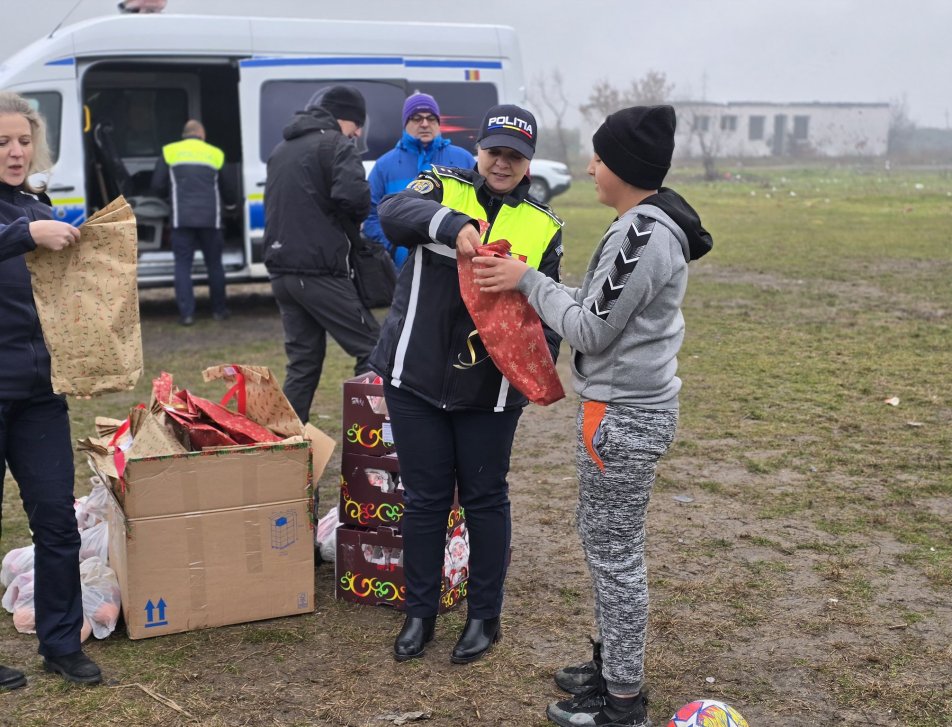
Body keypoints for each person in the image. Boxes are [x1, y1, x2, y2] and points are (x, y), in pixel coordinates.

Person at [473, 105, 713, 727]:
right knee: (606, 544)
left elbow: (590, 328)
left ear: (625, 168)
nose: (589, 167)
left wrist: (526, 280)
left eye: (599, 158)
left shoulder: (643, 235)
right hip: (625, 410)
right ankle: (612, 664)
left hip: (621, 417)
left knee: (615, 556)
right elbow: (599, 307)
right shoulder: (637, 225)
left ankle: (623, 699)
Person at [369, 104, 564, 665]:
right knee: (425, 500)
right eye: (495, 151)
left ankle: (484, 616)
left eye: (515, 156)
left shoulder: (544, 225)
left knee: (484, 499)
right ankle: (420, 612)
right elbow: (393, 210)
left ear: (528, 165)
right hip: (416, 377)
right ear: (476, 151)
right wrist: (452, 228)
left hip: (490, 390)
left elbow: (547, 310)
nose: (502, 163)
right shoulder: (444, 186)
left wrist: (534, 372)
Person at [0, 91, 103, 689]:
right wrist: (25, 232)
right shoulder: (24, 218)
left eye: (23, 140)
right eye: (3, 142)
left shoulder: (35, 202)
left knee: (58, 523)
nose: (16, 152)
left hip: (41, 390)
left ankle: (61, 643)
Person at [263, 85, 379, 423]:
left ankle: (286, 448)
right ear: (345, 118)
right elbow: (355, 199)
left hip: (282, 274)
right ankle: (367, 440)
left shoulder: (282, 148)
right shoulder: (337, 145)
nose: (358, 132)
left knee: (303, 361)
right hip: (318, 271)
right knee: (374, 349)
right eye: (357, 124)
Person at [363, 92, 475, 270]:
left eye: (431, 118)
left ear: (438, 123)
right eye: (416, 118)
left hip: (455, 267)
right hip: (403, 269)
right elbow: (370, 215)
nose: (424, 124)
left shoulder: (464, 159)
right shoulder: (384, 166)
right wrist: (392, 247)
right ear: (405, 123)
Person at [150, 119, 230, 326]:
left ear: (184, 135)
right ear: (201, 135)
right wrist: (230, 206)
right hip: (211, 220)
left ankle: (187, 314)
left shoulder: (169, 151)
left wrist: (170, 196)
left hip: (181, 218)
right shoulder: (215, 153)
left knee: (183, 265)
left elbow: (156, 185)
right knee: (214, 264)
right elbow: (228, 189)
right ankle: (219, 311)